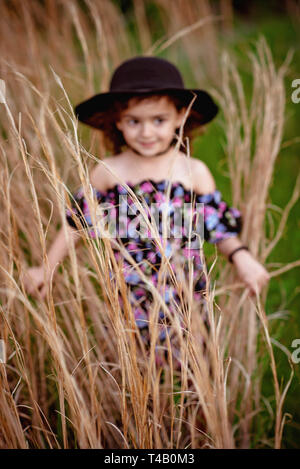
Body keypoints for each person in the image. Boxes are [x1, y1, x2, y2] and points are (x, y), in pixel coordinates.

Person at [23, 56, 270, 364]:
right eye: (134, 121)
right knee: (130, 371)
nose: (147, 132)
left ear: (180, 116)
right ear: (117, 120)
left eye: (158, 120)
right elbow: (77, 224)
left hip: (185, 299)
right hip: (127, 299)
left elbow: (218, 228)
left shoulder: (193, 172)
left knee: (189, 374)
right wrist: (46, 268)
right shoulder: (107, 172)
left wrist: (242, 257)